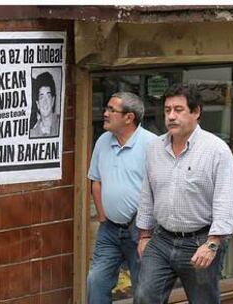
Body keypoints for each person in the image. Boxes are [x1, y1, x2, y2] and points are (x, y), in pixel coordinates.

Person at [135, 83, 233, 304]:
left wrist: (212, 244)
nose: (171, 116)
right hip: (161, 240)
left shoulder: (217, 150)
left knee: (203, 301)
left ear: (196, 112)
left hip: (200, 241)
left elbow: (226, 200)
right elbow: (147, 194)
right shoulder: (155, 148)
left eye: (178, 110)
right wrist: (144, 235)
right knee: (144, 297)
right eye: (167, 110)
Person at [87, 92, 157, 304]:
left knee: (143, 288)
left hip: (141, 229)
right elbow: (95, 180)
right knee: (95, 281)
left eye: (111, 110)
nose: (105, 114)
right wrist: (102, 216)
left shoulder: (152, 144)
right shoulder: (102, 141)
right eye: (106, 109)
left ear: (129, 117)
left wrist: (146, 228)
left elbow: (161, 188)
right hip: (109, 228)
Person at [29, 71, 60, 138]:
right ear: (37, 104)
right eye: (41, 97)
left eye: (48, 96)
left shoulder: (61, 125)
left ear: (53, 100)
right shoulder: (32, 133)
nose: (45, 102)